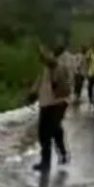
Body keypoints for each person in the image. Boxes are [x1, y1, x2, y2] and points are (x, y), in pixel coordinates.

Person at [31, 45, 72, 174]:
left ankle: (60, 155)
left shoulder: (60, 65)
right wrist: (33, 93)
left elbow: (57, 71)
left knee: (52, 130)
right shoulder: (45, 69)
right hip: (46, 103)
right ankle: (47, 161)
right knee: (45, 133)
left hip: (58, 103)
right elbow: (40, 82)